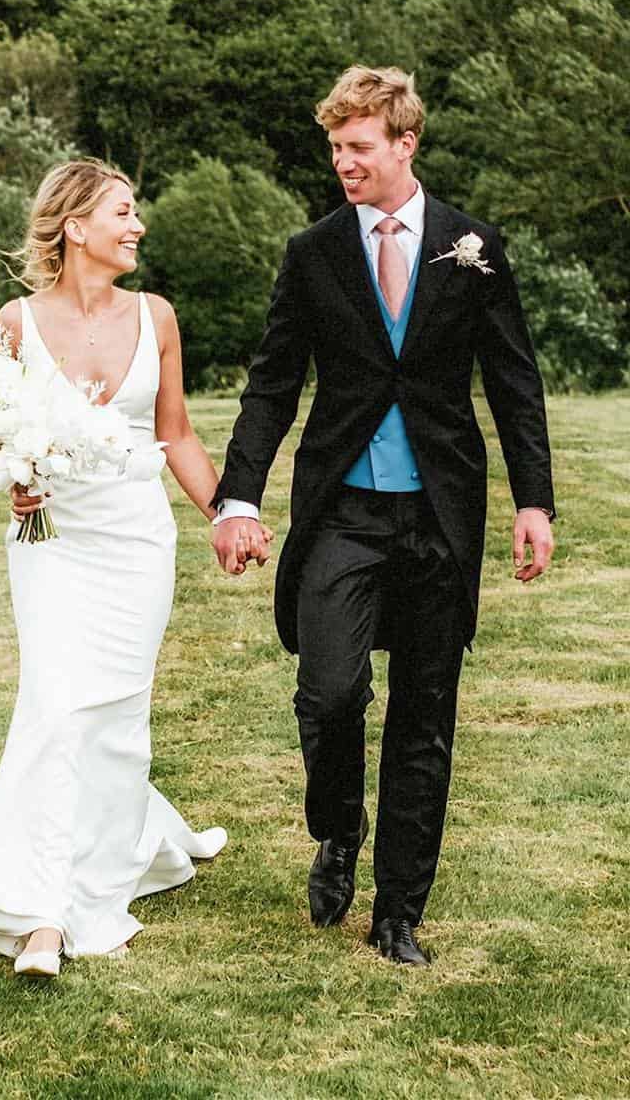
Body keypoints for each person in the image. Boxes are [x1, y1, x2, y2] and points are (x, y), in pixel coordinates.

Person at [211, 66, 555, 965]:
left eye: (359, 146)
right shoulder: (313, 251)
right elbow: (274, 381)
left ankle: (398, 913)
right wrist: (239, 493)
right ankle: (337, 828)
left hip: (440, 515)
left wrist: (534, 500)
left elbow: (515, 384)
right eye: (335, 148)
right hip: (345, 513)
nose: (344, 162)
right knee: (328, 694)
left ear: (405, 144)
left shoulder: (474, 245)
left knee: (425, 717)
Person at [0, 159, 264, 978]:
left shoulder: (156, 315)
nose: (138, 227)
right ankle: (42, 914)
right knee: (57, 705)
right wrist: (16, 482)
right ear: (75, 227)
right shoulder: (16, 322)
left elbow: (178, 435)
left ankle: (118, 850)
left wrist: (228, 512)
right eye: (123, 213)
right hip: (53, 543)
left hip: (136, 541)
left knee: (116, 716)